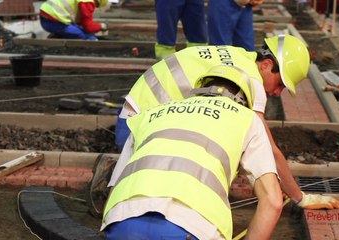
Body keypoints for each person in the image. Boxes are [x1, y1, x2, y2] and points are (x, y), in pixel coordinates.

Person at [115, 34, 339, 210]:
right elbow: (268, 151)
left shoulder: (239, 56)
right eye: (280, 84)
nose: (277, 92)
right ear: (265, 65)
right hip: (136, 133)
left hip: (132, 119)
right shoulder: (250, 80)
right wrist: (299, 197)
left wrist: (266, 181)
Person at [102, 65, 283, 239]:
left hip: (122, 220)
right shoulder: (246, 119)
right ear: (244, 101)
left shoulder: (151, 113)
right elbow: (273, 201)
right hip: (190, 226)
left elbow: (115, 185)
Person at [39, 0, 109, 41]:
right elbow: (88, 27)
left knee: (79, 30)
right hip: (54, 21)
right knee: (89, 38)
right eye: (97, 5)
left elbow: (81, 21)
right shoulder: (88, 2)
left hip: (45, 17)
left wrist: (94, 27)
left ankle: (57, 37)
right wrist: (102, 26)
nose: (94, 7)